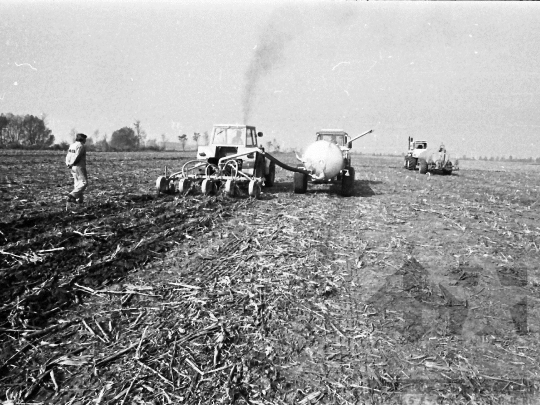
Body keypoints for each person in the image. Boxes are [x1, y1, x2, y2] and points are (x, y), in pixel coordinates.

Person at [65, 133, 88, 203]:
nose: (85, 141)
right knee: (84, 182)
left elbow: (68, 156)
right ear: (82, 139)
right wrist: (73, 163)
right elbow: (78, 156)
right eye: (85, 139)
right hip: (79, 166)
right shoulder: (81, 146)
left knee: (77, 183)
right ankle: (72, 195)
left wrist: (68, 164)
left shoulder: (72, 146)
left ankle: (78, 200)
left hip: (72, 167)